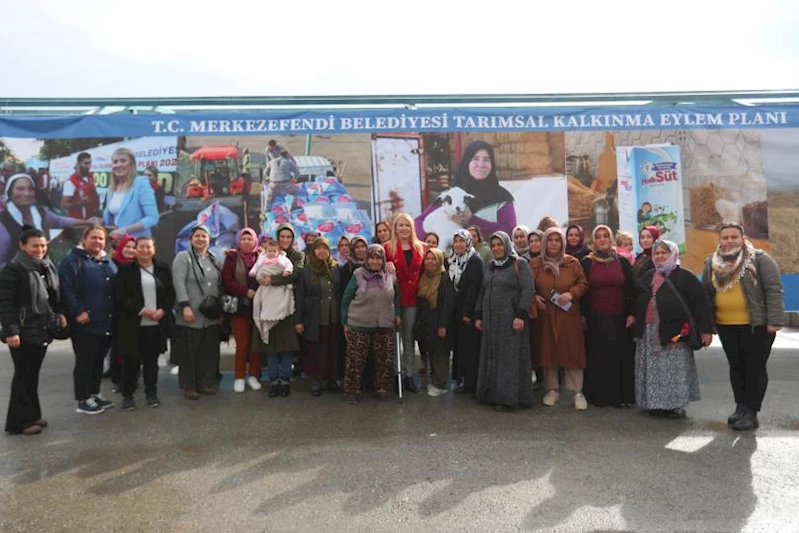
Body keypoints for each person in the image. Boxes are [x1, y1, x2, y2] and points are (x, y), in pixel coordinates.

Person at [701, 222, 785, 431]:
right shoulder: (712, 262)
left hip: (756, 326)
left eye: (733, 237)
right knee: (736, 368)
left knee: (754, 369)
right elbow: (705, 294)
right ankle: (740, 407)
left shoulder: (760, 260)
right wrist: (708, 322)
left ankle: (751, 412)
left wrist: (774, 321)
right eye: (725, 237)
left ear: (742, 237)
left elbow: (774, 290)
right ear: (720, 240)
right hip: (726, 326)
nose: (729, 241)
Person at [634, 239, 713, 419]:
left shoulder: (685, 277)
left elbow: (701, 304)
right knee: (653, 368)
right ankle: (653, 403)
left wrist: (706, 331)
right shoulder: (648, 276)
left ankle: (674, 405)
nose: (660, 256)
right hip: (649, 331)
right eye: (656, 253)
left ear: (673, 254)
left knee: (673, 369)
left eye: (664, 253)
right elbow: (637, 297)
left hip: (675, 333)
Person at [1, 227, 66, 435]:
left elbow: (52, 296)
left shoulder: (45, 266)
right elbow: (5, 303)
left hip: (41, 329)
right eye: (35, 245)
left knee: (32, 375)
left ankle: (32, 415)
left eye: (43, 245)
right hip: (21, 331)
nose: (40, 249)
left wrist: (60, 313)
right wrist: (11, 331)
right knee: (22, 375)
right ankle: (18, 423)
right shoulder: (14, 269)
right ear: (22, 245)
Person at [59, 225, 118, 415]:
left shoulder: (107, 261)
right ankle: (83, 399)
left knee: (98, 360)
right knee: (85, 361)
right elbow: (66, 290)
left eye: (101, 239)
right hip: (84, 322)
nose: (98, 242)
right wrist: (77, 312)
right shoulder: (72, 261)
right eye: (94, 238)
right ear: (84, 239)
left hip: (105, 321)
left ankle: (94, 393)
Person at [474, 231, 534, 411]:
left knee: (509, 359)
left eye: (500, 244)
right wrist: (478, 315)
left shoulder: (520, 264)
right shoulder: (490, 266)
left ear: (507, 245)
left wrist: (520, 315)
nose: (496, 248)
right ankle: (491, 394)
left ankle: (509, 399)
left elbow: (528, 289)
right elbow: (483, 291)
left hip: (511, 320)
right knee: (492, 356)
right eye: (493, 246)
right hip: (491, 322)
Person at [530, 227, 589, 410]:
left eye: (557, 240)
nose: (553, 243)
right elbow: (527, 286)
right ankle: (552, 390)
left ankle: (576, 392)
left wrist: (571, 294)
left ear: (562, 243)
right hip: (546, 316)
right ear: (545, 242)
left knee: (573, 352)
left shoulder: (572, 263)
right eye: (550, 240)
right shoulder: (535, 264)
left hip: (568, 315)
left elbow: (583, 283)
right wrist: (534, 297)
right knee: (549, 352)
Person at [114, 237, 175, 411]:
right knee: (131, 362)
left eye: (148, 247)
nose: (145, 250)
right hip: (133, 324)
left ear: (153, 249)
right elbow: (121, 296)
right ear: (136, 250)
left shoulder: (162, 268)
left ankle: (151, 393)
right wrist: (142, 310)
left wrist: (162, 310)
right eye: (141, 247)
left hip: (156, 324)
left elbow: (170, 294)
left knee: (151, 362)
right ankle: (128, 396)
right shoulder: (126, 270)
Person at [580, 225, 637, 408]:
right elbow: (582, 290)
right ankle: (598, 397)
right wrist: (582, 316)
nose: (602, 239)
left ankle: (620, 397)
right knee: (597, 357)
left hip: (619, 319)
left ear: (611, 239)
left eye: (606, 236)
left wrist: (631, 313)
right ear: (594, 241)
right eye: (598, 236)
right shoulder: (586, 263)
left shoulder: (622, 262)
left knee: (619, 357)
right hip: (595, 319)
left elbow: (631, 289)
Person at [415, 140, 516, 238]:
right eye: (475, 159)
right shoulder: (452, 194)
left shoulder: (501, 198)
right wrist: (432, 243)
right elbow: (419, 222)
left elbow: (509, 231)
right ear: (467, 162)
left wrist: (472, 220)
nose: (481, 165)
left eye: (486, 160)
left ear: (492, 165)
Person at [341, 244, 401, 404]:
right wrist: (344, 323)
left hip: (385, 323)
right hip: (359, 323)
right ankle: (352, 391)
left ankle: (382, 388)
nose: (375, 261)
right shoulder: (358, 274)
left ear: (383, 260)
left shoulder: (391, 275)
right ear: (367, 259)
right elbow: (346, 299)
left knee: (384, 359)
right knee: (355, 361)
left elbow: (396, 297)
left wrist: (398, 314)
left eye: (379, 258)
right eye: (372, 258)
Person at [250, 223, 304, 397]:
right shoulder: (266, 254)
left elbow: (295, 274)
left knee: (287, 346)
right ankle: (274, 380)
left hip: (288, 306)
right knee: (271, 345)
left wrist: (272, 280)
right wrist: (262, 278)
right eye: (282, 237)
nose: (285, 240)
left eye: (289, 237)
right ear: (277, 238)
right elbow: (259, 273)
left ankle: (285, 380)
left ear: (293, 239)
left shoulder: (298, 255)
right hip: (268, 304)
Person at [0, 173, 95, 268]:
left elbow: (60, 221)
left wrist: (87, 222)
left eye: (31, 189)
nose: (26, 193)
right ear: (10, 192)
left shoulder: (39, 212)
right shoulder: (3, 220)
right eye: (20, 189)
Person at [172, 225, 222, 400]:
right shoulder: (183, 257)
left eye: (204, 236)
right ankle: (189, 386)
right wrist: (185, 305)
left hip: (210, 316)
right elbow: (178, 282)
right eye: (197, 236)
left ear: (209, 239)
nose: (201, 239)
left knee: (207, 352)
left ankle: (204, 383)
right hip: (190, 313)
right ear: (191, 239)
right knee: (188, 353)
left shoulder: (214, 258)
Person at [383, 213, 426, 393]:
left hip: (412, 299)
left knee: (408, 338)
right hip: (393, 298)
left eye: (407, 225)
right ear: (395, 228)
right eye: (400, 225)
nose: (403, 228)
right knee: (393, 338)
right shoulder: (387, 247)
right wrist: (386, 265)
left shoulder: (421, 247)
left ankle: (409, 374)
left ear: (411, 228)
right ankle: (395, 373)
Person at [295, 237, 342, 396]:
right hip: (314, 318)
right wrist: (299, 321)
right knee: (315, 351)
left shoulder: (336, 268)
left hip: (333, 317)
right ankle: (315, 381)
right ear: (313, 251)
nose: (322, 251)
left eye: (325, 248)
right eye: (318, 248)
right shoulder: (306, 271)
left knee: (332, 350)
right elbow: (300, 296)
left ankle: (331, 380)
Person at [221, 228, 263, 394]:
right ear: (239, 241)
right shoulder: (231, 258)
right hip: (240, 308)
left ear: (254, 241)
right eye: (243, 239)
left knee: (256, 345)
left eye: (249, 239)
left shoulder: (262, 257)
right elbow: (228, 280)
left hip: (259, 308)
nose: (246, 242)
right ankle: (239, 377)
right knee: (242, 345)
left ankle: (253, 375)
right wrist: (246, 291)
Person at [448, 229, 484, 395]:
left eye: (462, 241)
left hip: (467, 313)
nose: (458, 244)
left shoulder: (474, 260)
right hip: (457, 311)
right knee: (460, 347)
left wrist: (468, 312)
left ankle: (472, 383)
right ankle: (463, 380)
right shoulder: (454, 260)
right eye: (456, 241)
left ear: (469, 242)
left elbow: (474, 288)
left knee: (470, 348)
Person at [415, 248, 454, 396]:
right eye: (427, 259)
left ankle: (440, 384)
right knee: (431, 352)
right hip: (426, 322)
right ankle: (434, 381)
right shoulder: (423, 276)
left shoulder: (444, 278)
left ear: (439, 261)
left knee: (440, 354)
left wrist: (443, 325)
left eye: (433, 259)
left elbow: (448, 304)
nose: (430, 262)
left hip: (439, 322)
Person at [103, 148, 160, 241]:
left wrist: (125, 230)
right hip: (116, 242)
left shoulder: (142, 184)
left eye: (123, 161)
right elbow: (111, 218)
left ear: (131, 164)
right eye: (115, 162)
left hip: (136, 243)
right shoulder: (111, 189)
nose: (118, 165)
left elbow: (153, 218)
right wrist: (99, 221)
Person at [109, 235, 137, 392]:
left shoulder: (140, 266)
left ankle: (132, 378)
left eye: (134, 248)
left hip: (136, 313)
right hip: (117, 313)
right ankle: (118, 378)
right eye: (127, 247)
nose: (130, 250)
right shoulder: (111, 264)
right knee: (119, 348)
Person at [61, 152, 100, 220]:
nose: (88, 166)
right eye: (85, 163)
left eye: (90, 163)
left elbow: (94, 193)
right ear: (78, 164)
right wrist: (79, 204)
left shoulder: (90, 177)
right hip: (79, 222)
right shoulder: (70, 182)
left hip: (92, 219)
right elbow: (63, 205)